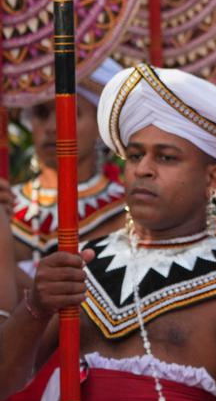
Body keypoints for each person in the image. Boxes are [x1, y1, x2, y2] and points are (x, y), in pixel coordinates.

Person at [0, 64, 216, 401]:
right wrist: (36, 307)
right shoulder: (80, 265)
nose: (144, 170)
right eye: (135, 156)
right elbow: (6, 385)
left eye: (166, 158)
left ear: (213, 179)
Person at [8, 59, 127, 273]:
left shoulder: (128, 212)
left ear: (100, 127)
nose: (53, 127)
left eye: (70, 113)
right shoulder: (7, 208)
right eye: (42, 114)